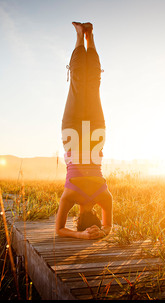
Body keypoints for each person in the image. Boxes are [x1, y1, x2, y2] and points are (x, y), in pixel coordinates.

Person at [55, 22, 113, 240]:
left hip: (96, 131)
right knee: (79, 83)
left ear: (96, 215)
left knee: (93, 84)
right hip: (73, 130)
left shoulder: (104, 197)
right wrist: (83, 237)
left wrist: (100, 232)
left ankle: (90, 37)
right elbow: (59, 231)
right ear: (77, 219)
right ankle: (81, 36)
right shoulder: (70, 195)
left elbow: (109, 227)